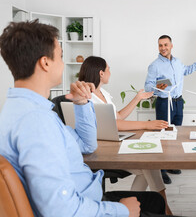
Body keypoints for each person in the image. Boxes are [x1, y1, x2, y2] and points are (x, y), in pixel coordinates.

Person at [0, 20, 167, 217]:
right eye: (61, 56)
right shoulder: (38, 122)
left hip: (86, 198)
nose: (63, 63)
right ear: (45, 63)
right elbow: (61, 209)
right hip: (84, 204)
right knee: (150, 203)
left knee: (154, 201)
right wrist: (121, 210)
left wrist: (81, 104)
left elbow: (88, 146)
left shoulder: (22, 110)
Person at [78, 56, 172, 215]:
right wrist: (146, 124)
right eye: (108, 69)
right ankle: (166, 211)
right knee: (148, 165)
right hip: (100, 150)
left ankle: (132, 208)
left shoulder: (104, 94)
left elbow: (119, 117)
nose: (110, 72)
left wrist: (137, 98)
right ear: (101, 73)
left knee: (147, 167)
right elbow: (115, 123)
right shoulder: (88, 98)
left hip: (114, 143)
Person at [144, 35, 196, 184]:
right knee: (163, 136)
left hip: (178, 102)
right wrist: (158, 86)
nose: (163, 48)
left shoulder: (177, 62)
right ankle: (161, 170)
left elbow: (186, 71)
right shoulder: (154, 65)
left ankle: (170, 165)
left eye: (165, 45)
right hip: (164, 103)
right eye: (160, 45)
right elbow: (148, 87)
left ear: (171, 45)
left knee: (175, 134)